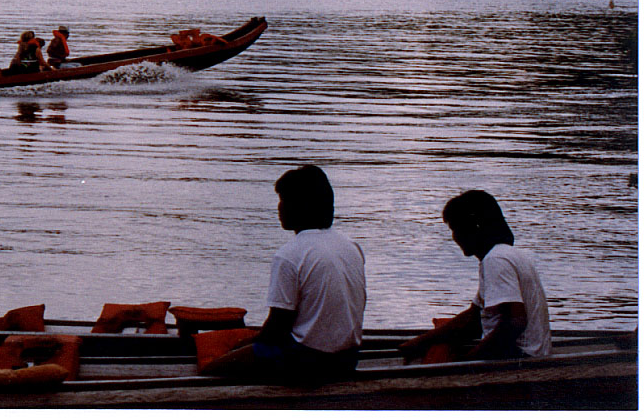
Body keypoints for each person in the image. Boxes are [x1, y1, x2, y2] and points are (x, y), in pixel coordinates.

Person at [206, 165, 366, 385]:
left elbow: (277, 329)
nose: (279, 209)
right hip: (347, 359)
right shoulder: (351, 246)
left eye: (284, 201)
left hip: (307, 362)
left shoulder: (290, 255)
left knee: (212, 370)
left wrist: (241, 347)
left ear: (301, 206)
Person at [398, 191, 551, 361]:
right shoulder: (505, 255)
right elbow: (473, 319)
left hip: (519, 358)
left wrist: (469, 361)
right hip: (528, 354)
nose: (454, 237)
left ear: (474, 227)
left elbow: (515, 321)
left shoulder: (496, 260)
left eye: (455, 229)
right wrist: (420, 341)